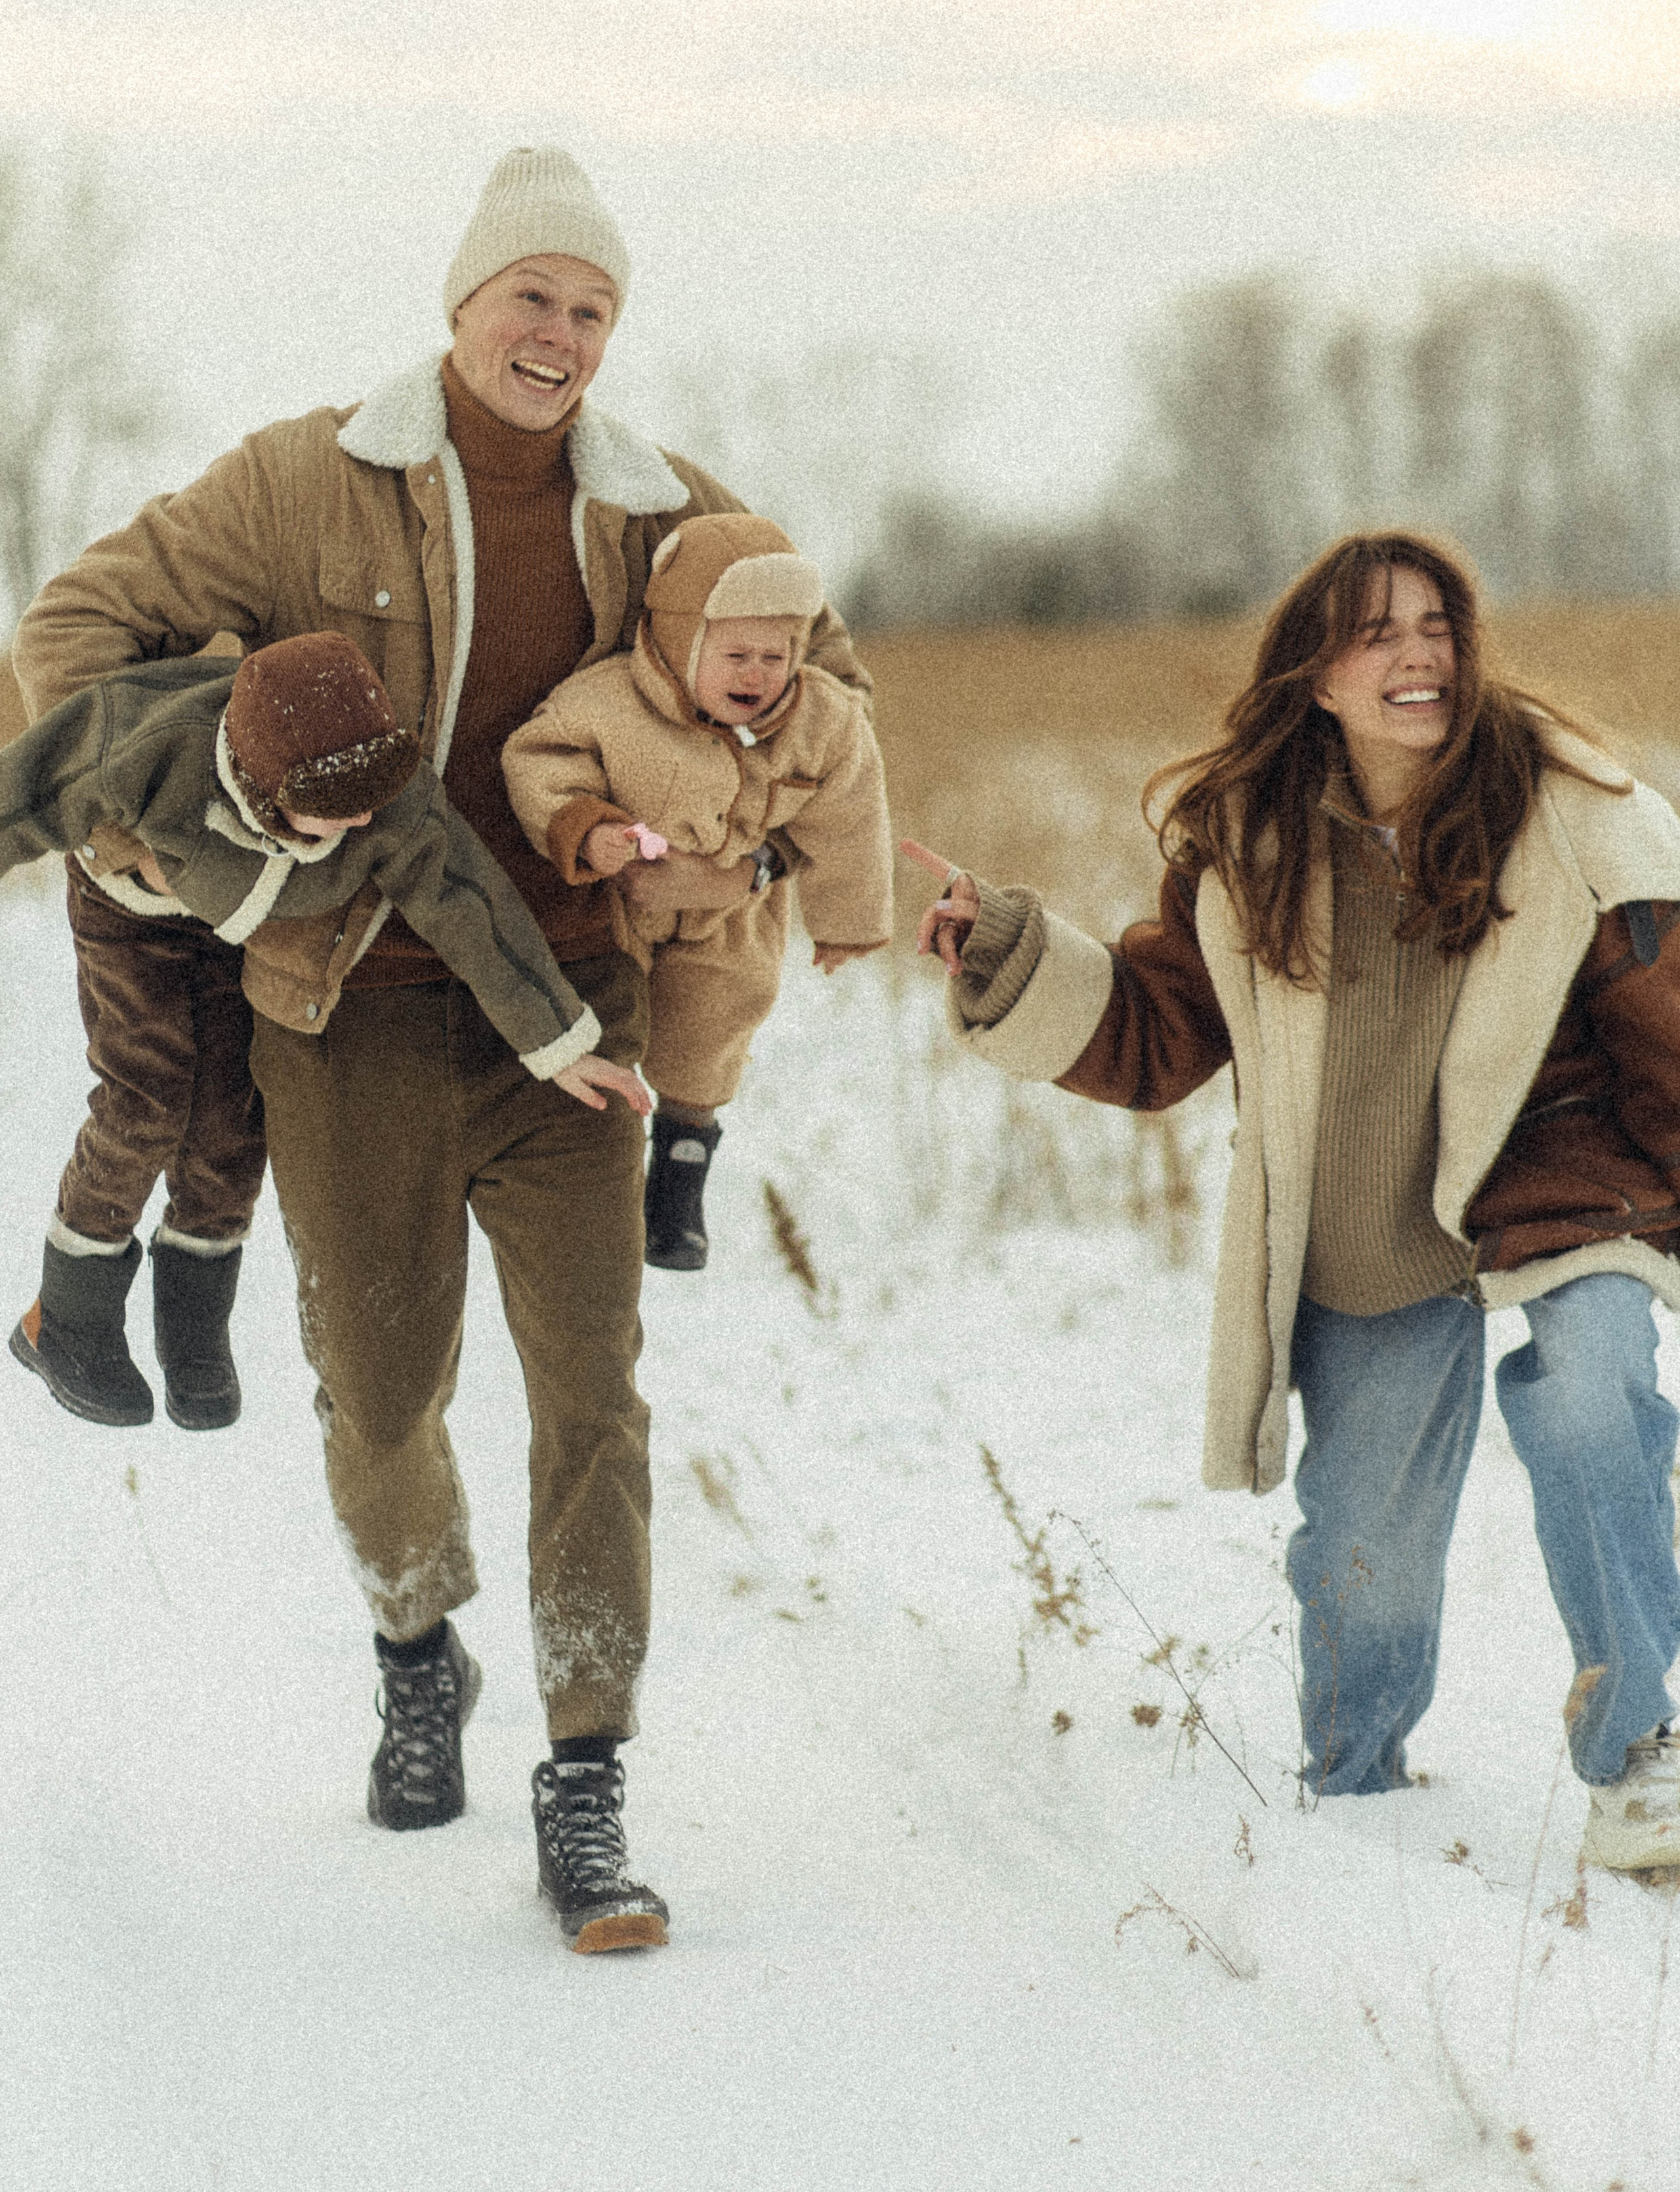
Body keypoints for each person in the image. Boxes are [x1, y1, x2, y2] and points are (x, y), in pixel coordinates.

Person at [11, 144, 870, 1952]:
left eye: (592, 308)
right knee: (382, 1389)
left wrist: (750, 801)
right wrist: (140, 831)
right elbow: (80, 622)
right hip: (353, 1011)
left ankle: (587, 1774)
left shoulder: (663, 514)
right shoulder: (303, 479)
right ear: (464, 303)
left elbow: (824, 670)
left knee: (592, 1396)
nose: (558, 335)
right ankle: (419, 1645)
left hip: (579, 1018)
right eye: (531, 298)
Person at [908, 530, 1680, 1874]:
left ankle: (1637, 1758)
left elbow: (1663, 1023)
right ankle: (1355, 1791)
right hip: (1364, 1210)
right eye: (1375, 634)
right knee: (1367, 1542)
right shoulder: (1249, 844)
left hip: (1558, 1179)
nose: (1415, 654)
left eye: (1435, 625)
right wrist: (1007, 953)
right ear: (1315, 677)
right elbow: (1157, 1034)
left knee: (1590, 1386)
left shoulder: (1572, 812)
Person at [4, 631, 642, 1430]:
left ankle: (192, 1319)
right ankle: (64, 1315)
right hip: (127, 915)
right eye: (336, 807)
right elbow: (17, 802)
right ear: (265, 777)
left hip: (233, 928)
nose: (363, 820)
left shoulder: (383, 794)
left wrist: (559, 1040)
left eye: (374, 801)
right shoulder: (139, 742)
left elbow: (467, 901)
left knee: (234, 1117)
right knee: (150, 1097)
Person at [502, 509, 892, 1269]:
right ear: (681, 641)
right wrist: (586, 829)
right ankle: (590, 1182)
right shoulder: (607, 701)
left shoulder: (824, 723)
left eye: (776, 657)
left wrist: (845, 921)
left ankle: (682, 1166)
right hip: (618, 903)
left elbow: (850, 817)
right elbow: (540, 761)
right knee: (602, 1021)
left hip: (733, 914)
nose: (756, 675)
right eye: (736, 654)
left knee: (714, 1023)